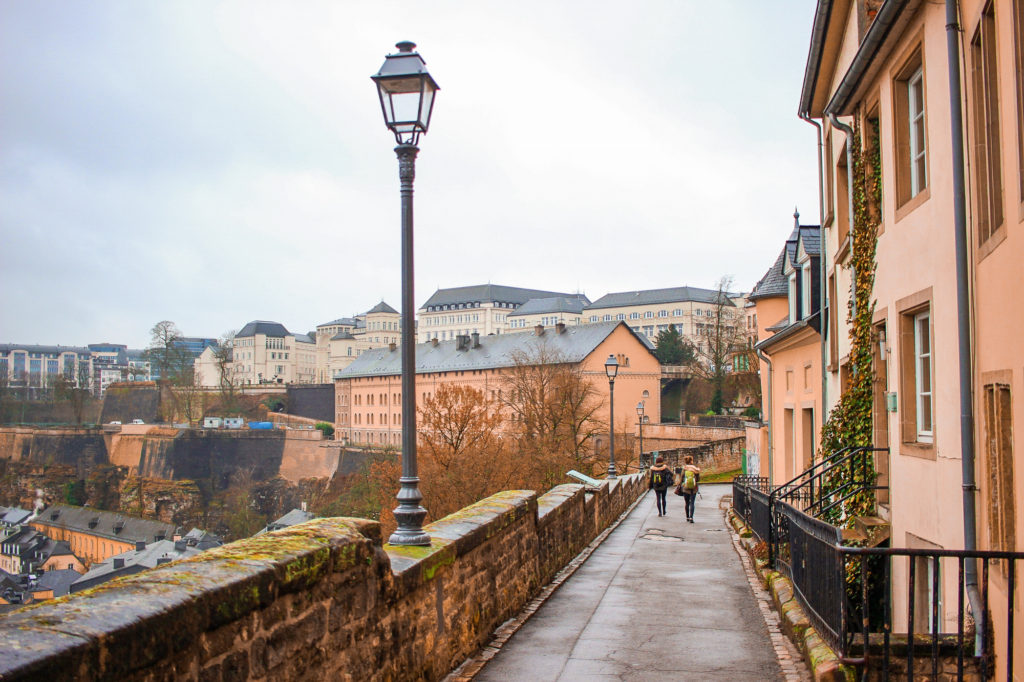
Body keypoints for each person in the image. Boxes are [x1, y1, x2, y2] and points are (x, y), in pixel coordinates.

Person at [680, 455, 701, 523]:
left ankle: (687, 517)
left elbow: (681, 478)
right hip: (693, 488)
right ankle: (691, 517)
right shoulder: (695, 469)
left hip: (685, 488)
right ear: (691, 461)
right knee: (692, 503)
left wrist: (681, 484)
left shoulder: (684, 468)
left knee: (687, 503)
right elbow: (698, 479)